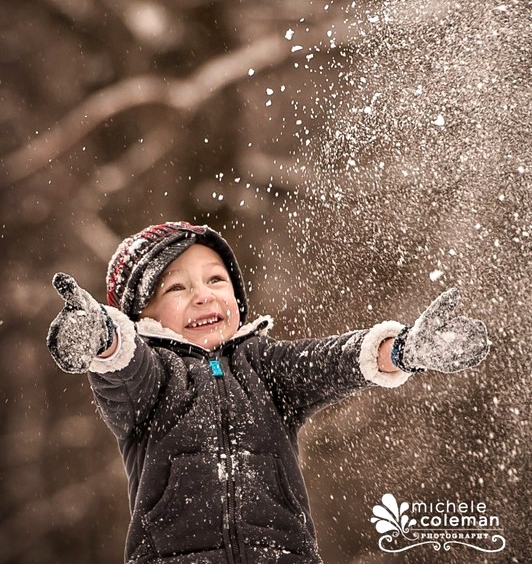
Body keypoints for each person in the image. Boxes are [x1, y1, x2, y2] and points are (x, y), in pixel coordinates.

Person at [46, 220, 490, 564]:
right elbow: (120, 365)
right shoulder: (151, 380)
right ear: (141, 316)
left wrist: (406, 349)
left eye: (216, 280)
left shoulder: (265, 366)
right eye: (177, 287)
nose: (203, 296)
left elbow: (332, 362)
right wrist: (101, 336)